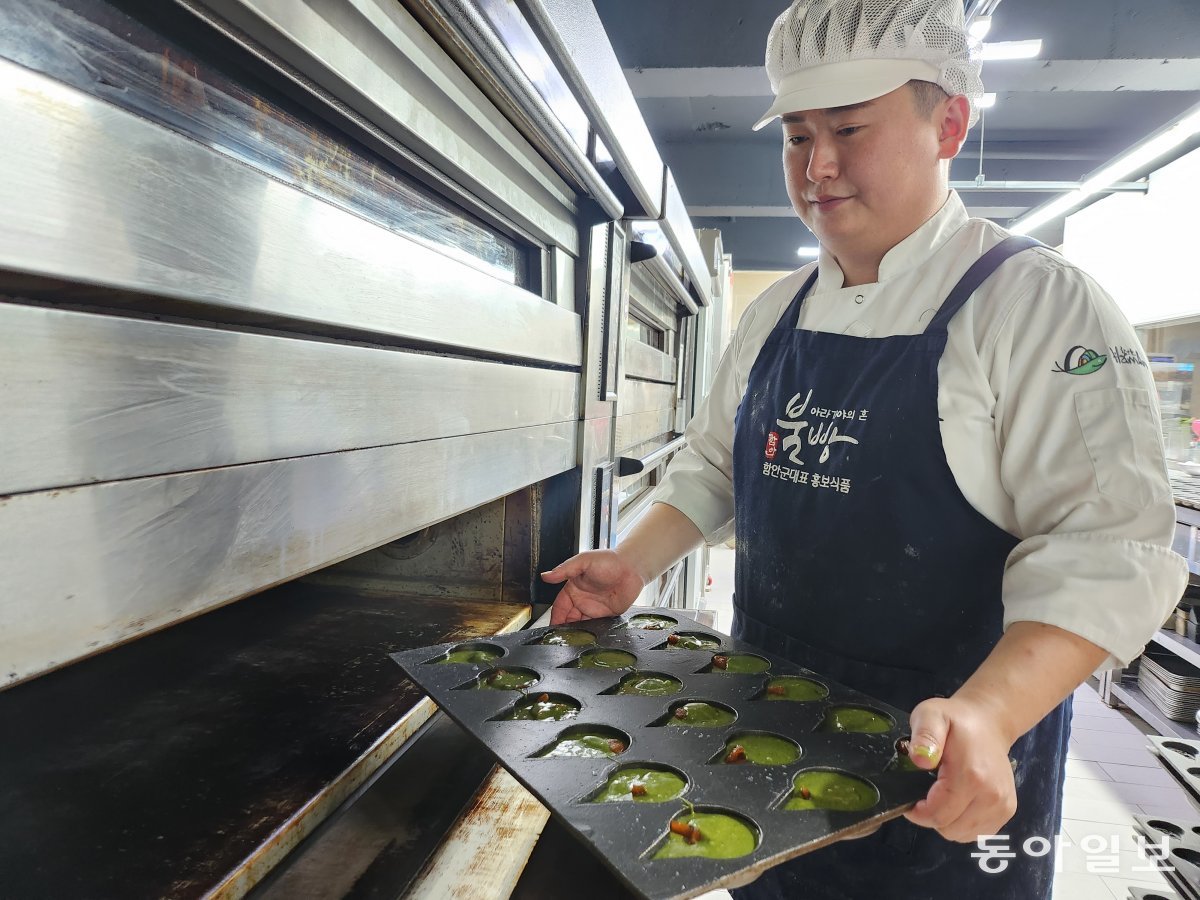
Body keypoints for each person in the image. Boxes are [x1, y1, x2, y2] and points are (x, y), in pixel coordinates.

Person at [543, 0, 1187, 897]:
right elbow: (716, 466)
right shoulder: (774, 315)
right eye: (798, 135)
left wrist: (990, 715)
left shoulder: (1037, 307)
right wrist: (633, 563)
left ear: (948, 124)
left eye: (850, 128)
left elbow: (1105, 548)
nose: (818, 166)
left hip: (941, 768)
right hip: (762, 740)